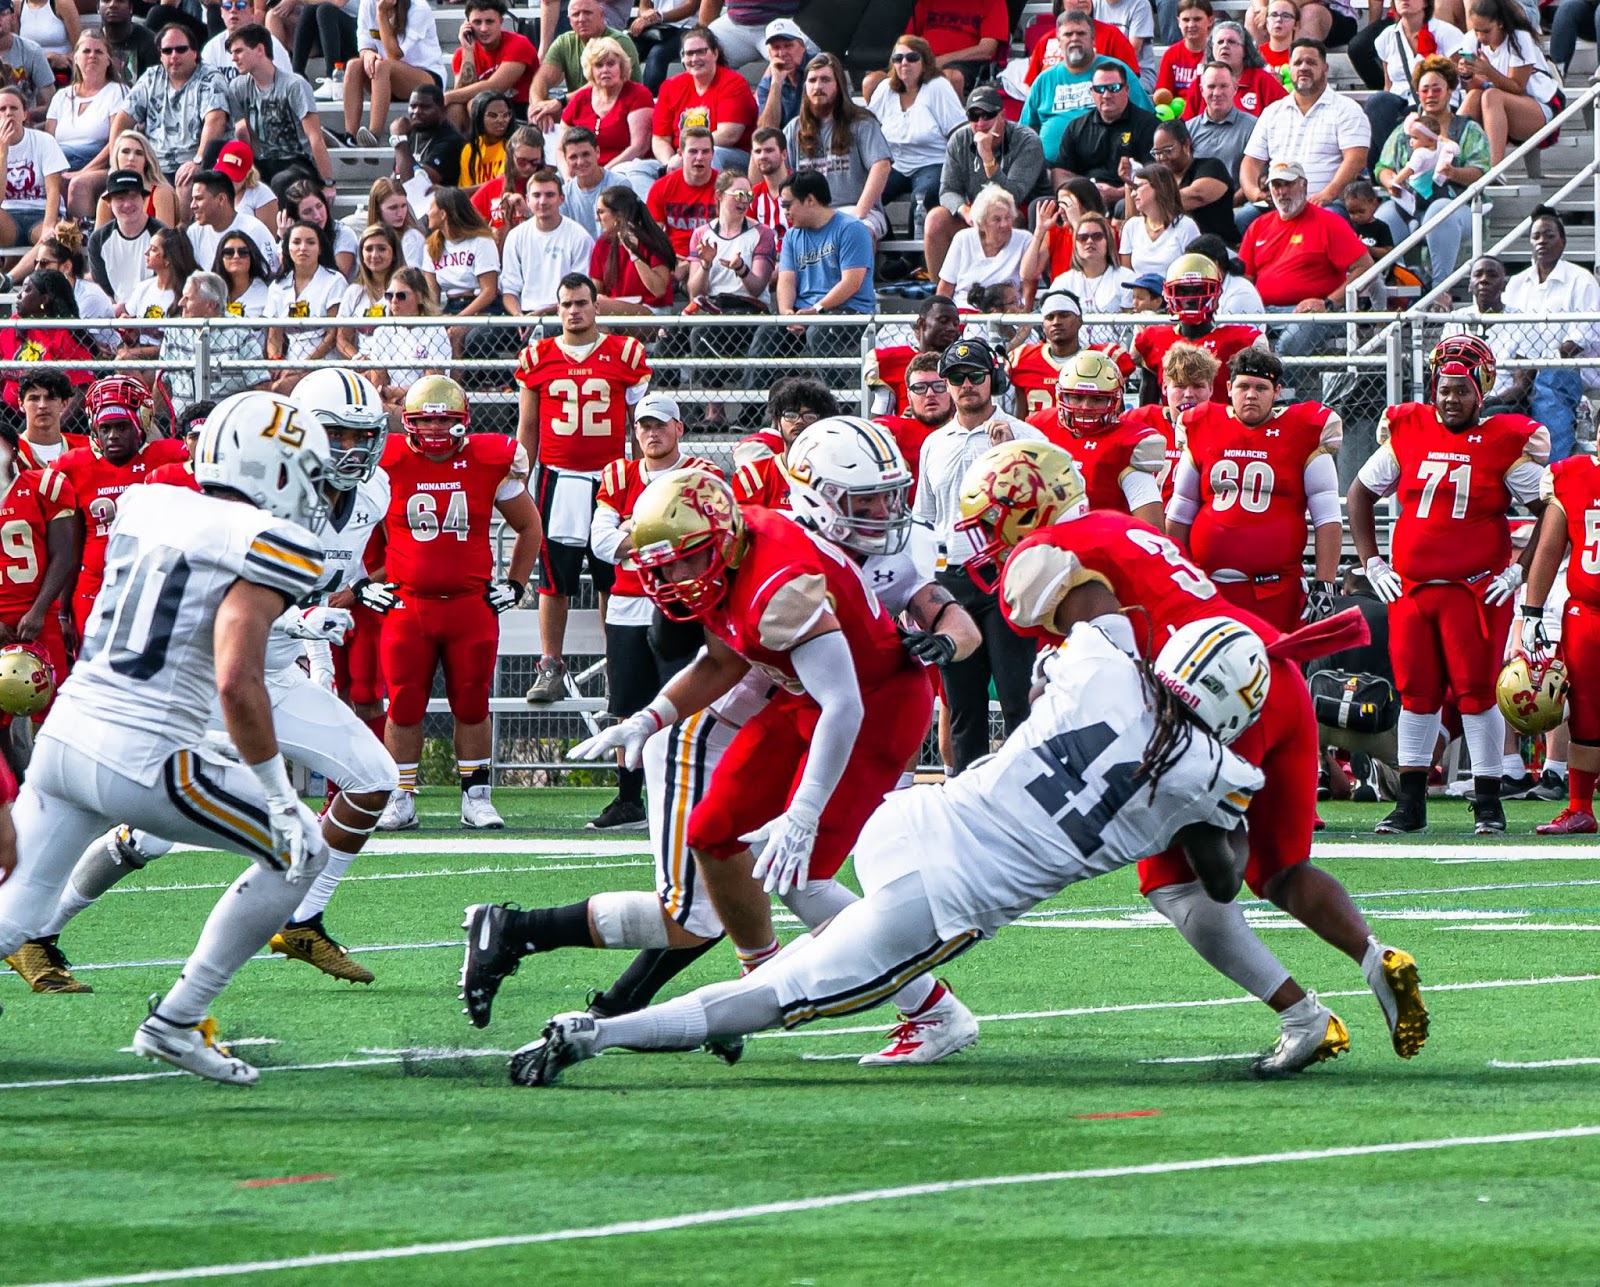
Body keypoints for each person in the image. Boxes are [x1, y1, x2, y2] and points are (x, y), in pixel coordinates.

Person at [509, 613, 1269, 1088]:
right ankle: (597, 1033)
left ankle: (931, 1011)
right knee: (770, 996)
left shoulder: (1104, 659)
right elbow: (1222, 880)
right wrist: (1231, 809)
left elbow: (1053, 665)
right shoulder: (1213, 775)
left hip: (909, 818)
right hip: (947, 898)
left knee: (801, 876)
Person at [961, 408, 1427, 1082]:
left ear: (1023, 510)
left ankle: (1301, 1015)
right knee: (1283, 868)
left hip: (1210, 695)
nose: (984, 540)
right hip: (1270, 669)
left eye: (989, 522)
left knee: (1175, 882)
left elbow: (1107, 653)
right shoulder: (1116, 524)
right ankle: (1374, 957)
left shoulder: (1045, 559)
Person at [0, 391, 338, 1084]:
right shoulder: (274, 542)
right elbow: (237, 679)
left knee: (16, 910)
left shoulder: (147, 503)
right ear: (270, 467)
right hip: (143, 750)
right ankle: (179, 1020)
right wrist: (277, 791)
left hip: (69, 731)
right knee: (300, 846)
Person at [1347, 334, 1550, 835]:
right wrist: (1373, 563)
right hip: (1412, 590)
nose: (1450, 399)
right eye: (1443, 389)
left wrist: (1520, 569)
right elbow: (1359, 493)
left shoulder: (1504, 439)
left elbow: (1551, 512)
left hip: (1475, 591)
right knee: (1416, 694)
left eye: (1460, 390)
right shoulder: (1409, 427)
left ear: (1481, 391)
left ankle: (1488, 801)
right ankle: (1410, 803)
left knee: (1476, 694)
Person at [372, 375, 542, 832]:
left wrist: (515, 583)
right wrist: (359, 581)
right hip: (408, 604)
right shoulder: (385, 461)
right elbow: (350, 524)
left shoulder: (490, 459)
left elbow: (530, 526)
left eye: (443, 420)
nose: (433, 430)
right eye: (424, 421)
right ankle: (401, 797)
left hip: (469, 605)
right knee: (403, 703)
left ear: (462, 420)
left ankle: (476, 797)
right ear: (407, 422)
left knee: (472, 702)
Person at [576, 392, 716, 830]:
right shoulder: (619, 474)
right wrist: (665, 537)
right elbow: (601, 542)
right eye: (644, 426)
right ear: (635, 432)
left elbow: (708, 535)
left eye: (660, 425)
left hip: (681, 602)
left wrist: (631, 532)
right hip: (627, 605)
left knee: (687, 702)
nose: (652, 433)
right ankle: (629, 799)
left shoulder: (700, 474)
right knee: (628, 705)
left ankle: (690, 794)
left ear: (679, 428)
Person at [515, 272, 650, 704]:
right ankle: (550, 666)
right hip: (557, 477)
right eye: (566, 304)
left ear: (596, 306)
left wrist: (639, 478)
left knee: (612, 578)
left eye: (580, 303)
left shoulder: (625, 352)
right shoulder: (537, 356)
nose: (574, 311)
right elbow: (528, 427)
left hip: (612, 478)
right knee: (554, 580)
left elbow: (638, 427)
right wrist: (521, 480)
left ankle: (618, 665)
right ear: (557, 309)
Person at [913, 337, 1043, 773]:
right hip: (953, 578)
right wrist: (921, 586)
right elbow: (924, 519)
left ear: (994, 379)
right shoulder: (934, 443)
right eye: (956, 378)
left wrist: (1009, 454)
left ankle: (1027, 788)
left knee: (1017, 694)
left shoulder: (1027, 436)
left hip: (1008, 574)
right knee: (961, 700)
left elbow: (1052, 509)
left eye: (975, 376)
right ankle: (966, 792)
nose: (966, 385)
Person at [1166, 347, 1343, 630]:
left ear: (1277, 392)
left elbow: (1328, 518)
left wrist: (1326, 583)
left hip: (1275, 590)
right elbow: (1181, 509)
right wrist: (1172, 573)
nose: (1251, 395)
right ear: (1228, 388)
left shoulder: (1303, 430)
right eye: (1243, 386)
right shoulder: (1200, 423)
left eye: (1261, 388)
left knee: (1276, 657)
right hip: (1207, 587)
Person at [43, 377, 188, 641]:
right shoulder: (73, 467)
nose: (113, 435)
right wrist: (62, 613)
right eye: (105, 428)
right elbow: (70, 548)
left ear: (141, 423)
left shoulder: (168, 458)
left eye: (122, 426)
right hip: (94, 585)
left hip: (151, 583)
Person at [1522, 443, 1600, 833]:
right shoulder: (1572, 475)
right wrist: (1532, 611)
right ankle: (1580, 807)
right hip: (1587, 614)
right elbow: (1549, 548)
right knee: (1584, 712)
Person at [1240, 159, 1374, 360]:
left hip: (1313, 314)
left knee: (1291, 341)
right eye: (1276, 185)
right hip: (1263, 312)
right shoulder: (1258, 226)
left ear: (1304, 185)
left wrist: (1328, 303)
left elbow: (1365, 267)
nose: (1282, 191)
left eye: (1288, 184)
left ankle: (1279, 380)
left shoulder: (1329, 222)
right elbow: (1245, 279)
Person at [1373, 55, 1488, 287]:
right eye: (1424, 90)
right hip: (1409, 203)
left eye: (1437, 89)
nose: (1430, 95)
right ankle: (1397, 285)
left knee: (1440, 210)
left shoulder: (1468, 129)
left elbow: (1481, 170)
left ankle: (1440, 289)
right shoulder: (1404, 130)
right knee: (1383, 217)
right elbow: (1382, 167)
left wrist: (1453, 173)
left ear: (1449, 91)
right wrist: (1391, 183)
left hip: (1457, 206)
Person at [1238, 39, 1369, 237]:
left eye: (1311, 62)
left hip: (1326, 203)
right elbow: (1251, 162)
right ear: (1289, 68)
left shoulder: (1347, 109)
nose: (1303, 68)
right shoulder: (1273, 111)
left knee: (1329, 222)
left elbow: (1356, 159)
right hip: (1277, 201)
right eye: (1298, 63)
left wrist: (1327, 194)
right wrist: (1255, 194)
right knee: (1242, 220)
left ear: (1325, 68)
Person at [1502, 208, 1600, 463]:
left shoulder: (1582, 280)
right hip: (1524, 368)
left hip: (1572, 369)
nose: (1542, 241)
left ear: (1563, 242)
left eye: (1549, 235)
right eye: (1536, 236)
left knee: (1551, 378)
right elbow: (1510, 336)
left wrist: (1543, 364)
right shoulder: (1517, 283)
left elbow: (1581, 337)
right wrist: (1525, 373)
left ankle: (1550, 469)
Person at [756, 170, 875, 374]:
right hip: (804, 312)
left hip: (849, 311)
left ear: (810, 199)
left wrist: (815, 311)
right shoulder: (792, 236)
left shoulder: (852, 228)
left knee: (819, 333)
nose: (785, 212)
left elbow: (851, 282)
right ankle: (756, 396)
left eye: (788, 205)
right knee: (767, 333)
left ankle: (836, 395)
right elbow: (786, 281)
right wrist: (787, 314)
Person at [1028, 349, 1165, 525]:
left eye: (1097, 399)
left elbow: (1152, 528)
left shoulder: (1126, 444)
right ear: (1061, 395)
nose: (1085, 407)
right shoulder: (1039, 428)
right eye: (1077, 397)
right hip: (1045, 538)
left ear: (1115, 401)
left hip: (1103, 539)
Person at [930, 85, 1049, 280]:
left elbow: (1013, 195)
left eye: (988, 115)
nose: (981, 123)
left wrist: (987, 157)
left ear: (1002, 115)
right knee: (936, 219)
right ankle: (941, 287)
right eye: (974, 117)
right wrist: (965, 211)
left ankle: (1005, 284)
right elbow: (948, 190)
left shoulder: (1027, 140)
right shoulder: (959, 139)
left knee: (1005, 218)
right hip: (978, 209)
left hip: (1018, 210)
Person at [110, 23, 229, 200]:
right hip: (153, 165)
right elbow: (123, 119)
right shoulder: (151, 77)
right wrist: (114, 164)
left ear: (194, 53)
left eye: (181, 49)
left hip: (192, 161)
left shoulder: (210, 78)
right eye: (167, 51)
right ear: (160, 55)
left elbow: (216, 120)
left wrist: (198, 161)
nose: (174, 55)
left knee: (186, 185)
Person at [783, 52, 891, 244]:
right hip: (811, 212)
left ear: (839, 85)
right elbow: (776, 171)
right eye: (812, 80)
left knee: (858, 232)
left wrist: (858, 215)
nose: (818, 86)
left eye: (825, 80)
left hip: (857, 208)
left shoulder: (862, 123)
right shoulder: (794, 128)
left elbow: (881, 166)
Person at [1021, 12, 1149, 165]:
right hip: (1051, 169)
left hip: (1106, 167)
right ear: (1059, 41)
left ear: (1093, 39)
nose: (1074, 38)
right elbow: (1025, 132)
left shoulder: (1116, 71)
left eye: (1081, 33)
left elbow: (1146, 118)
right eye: (1068, 34)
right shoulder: (1044, 80)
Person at [1136, 253, 1264, 404]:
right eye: (1183, 291)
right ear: (1169, 294)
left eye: (1199, 291)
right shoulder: (1154, 338)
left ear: (1216, 294)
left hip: (1220, 419)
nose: (1191, 299)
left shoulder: (1239, 340)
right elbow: (1147, 409)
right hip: (1174, 420)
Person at [867, 35, 963, 219]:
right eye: (898, 58)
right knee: (866, 195)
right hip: (895, 164)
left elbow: (958, 132)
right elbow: (868, 127)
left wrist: (958, 173)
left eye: (912, 58)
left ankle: (917, 239)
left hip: (933, 163)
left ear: (924, 62)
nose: (904, 63)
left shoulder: (939, 86)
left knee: (922, 200)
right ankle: (884, 234)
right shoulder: (885, 88)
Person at [1364, 0, 1466, 172]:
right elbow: (1388, 84)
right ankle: (1398, 164)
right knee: (1377, 102)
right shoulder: (1386, 37)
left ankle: (1413, 168)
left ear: (1426, 2)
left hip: (1437, 104)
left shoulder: (1446, 33)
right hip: (1401, 106)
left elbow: (1458, 80)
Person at [1456, 0, 1560, 165]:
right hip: (1497, 111)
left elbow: (1517, 87)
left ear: (1500, 24)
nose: (1481, 37)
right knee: (1475, 96)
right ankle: (1450, 159)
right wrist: (1468, 76)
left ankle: (1493, 168)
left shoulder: (1520, 38)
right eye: (1476, 31)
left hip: (1540, 105)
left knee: (1491, 96)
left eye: (1486, 31)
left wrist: (1488, 71)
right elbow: (1477, 87)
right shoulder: (1471, 40)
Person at [557, 34, 655, 196]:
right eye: (598, 65)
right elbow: (560, 148)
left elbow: (639, 147)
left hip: (625, 170)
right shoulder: (580, 98)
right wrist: (568, 176)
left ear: (621, 67)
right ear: (591, 70)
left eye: (610, 64)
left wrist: (602, 174)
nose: (605, 70)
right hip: (581, 171)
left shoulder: (638, 94)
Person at [651, 25, 757, 173]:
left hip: (729, 156)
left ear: (715, 53)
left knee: (711, 155)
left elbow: (729, 135)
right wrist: (669, 163)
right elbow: (660, 139)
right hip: (680, 158)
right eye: (689, 53)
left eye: (701, 51)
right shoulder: (670, 86)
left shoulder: (733, 83)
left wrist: (686, 155)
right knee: (634, 168)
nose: (695, 59)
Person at [1124, 339, 1220, 502]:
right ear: (1164, 387)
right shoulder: (1139, 420)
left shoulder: (1224, 425)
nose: (1189, 394)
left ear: (1211, 389)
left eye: (1198, 386)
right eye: (1180, 386)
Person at [157, 271, 264, 414]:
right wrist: (155, 421)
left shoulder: (240, 331)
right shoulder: (174, 330)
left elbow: (260, 385)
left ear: (210, 305)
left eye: (188, 298)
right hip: (181, 421)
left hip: (224, 420)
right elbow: (161, 384)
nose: (180, 303)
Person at [343, 0, 446, 146]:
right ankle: (350, 137)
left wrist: (381, 14)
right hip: (384, 78)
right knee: (353, 65)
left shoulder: (419, 7)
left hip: (425, 77)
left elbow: (395, 55)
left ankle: (374, 134)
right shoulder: (368, 3)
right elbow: (364, 45)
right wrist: (368, 54)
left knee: (382, 66)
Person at [1056, 62, 1160, 204]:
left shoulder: (1149, 125)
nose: (1106, 95)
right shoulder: (1076, 127)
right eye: (1099, 89)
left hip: (1131, 198)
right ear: (1092, 92)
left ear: (1126, 90)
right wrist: (1078, 194)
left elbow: (1156, 176)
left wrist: (1118, 194)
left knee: (1121, 205)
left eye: (1113, 88)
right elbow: (1061, 171)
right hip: (1084, 200)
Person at [500, 167, 594, 320]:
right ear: (527, 200)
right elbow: (509, 290)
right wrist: (519, 317)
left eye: (549, 195)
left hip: (565, 314)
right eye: (536, 195)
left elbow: (582, 290)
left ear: (561, 199)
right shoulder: (515, 236)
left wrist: (541, 314)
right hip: (524, 314)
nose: (543, 201)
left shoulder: (580, 237)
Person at [528, 0, 640, 128]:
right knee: (541, 115)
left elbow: (601, 83)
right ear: (569, 20)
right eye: (576, 14)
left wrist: (561, 101)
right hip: (582, 112)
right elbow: (541, 79)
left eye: (587, 13)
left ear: (601, 15)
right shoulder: (565, 42)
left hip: (620, 111)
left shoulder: (619, 41)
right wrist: (538, 106)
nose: (581, 19)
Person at [264, 221, 343, 395]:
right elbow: (274, 335)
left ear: (320, 249)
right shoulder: (277, 286)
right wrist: (277, 361)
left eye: (310, 242)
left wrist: (303, 365)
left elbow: (332, 336)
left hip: (324, 363)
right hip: (291, 363)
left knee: (278, 390)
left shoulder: (334, 281)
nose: (303, 248)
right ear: (287, 248)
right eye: (296, 242)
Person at [356, 266, 454, 404]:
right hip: (393, 402)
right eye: (389, 295)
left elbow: (432, 386)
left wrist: (391, 392)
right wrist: (393, 396)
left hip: (428, 403)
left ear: (419, 297)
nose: (394, 300)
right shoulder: (382, 332)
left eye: (401, 296)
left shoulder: (435, 330)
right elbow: (378, 386)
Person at [423, 186, 500, 355]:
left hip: (482, 307)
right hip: (450, 307)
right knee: (433, 335)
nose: (428, 213)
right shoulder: (431, 247)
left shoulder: (481, 241)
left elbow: (489, 291)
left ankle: (455, 374)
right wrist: (437, 318)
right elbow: (432, 295)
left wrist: (459, 320)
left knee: (456, 334)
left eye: (431, 207)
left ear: (443, 214)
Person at [686, 169, 776, 310]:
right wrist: (705, 264)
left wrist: (741, 268)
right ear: (719, 195)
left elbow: (757, 289)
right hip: (713, 308)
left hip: (749, 308)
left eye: (749, 195)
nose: (745, 201)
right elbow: (695, 294)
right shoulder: (701, 234)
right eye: (739, 195)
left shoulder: (763, 233)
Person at [444, 0, 536, 134]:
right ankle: (462, 147)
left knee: (474, 103)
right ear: (467, 25)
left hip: (519, 112)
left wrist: (446, 96)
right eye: (477, 22)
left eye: (489, 22)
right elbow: (461, 92)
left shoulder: (519, 44)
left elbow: (495, 87)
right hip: (481, 113)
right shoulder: (462, 54)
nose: (483, 29)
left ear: (501, 22)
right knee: (455, 107)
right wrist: (468, 51)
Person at [44, 32, 126, 177]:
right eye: (86, 51)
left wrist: (82, 172)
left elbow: (117, 141)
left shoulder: (118, 91)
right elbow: (48, 143)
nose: (92, 55)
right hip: (60, 164)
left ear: (108, 60)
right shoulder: (61, 96)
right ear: (75, 58)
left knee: (77, 183)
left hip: (97, 166)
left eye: (99, 52)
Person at [867, 293, 963, 416]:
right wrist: (904, 420)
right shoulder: (895, 360)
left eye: (955, 324)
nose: (951, 328)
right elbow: (880, 418)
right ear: (922, 323)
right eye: (943, 321)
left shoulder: (962, 362)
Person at [937, 183, 1029, 310]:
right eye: (997, 219)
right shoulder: (963, 238)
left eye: (1008, 218)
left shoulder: (1024, 240)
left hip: (1007, 314)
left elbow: (1028, 287)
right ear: (981, 224)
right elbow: (944, 290)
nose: (1004, 224)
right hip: (965, 312)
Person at [33, 221, 115, 356]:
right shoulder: (45, 294)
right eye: (36, 262)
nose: (37, 269)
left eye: (43, 263)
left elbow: (77, 340)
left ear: (66, 267)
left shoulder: (89, 297)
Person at [646, 123, 717, 277]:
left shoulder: (724, 187)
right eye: (693, 151)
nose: (699, 157)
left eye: (705, 151)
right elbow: (652, 234)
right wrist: (669, 260)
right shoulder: (661, 187)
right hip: (675, 259)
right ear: (680, 153)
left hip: (714, 258)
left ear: (713, 154)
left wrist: (694, 262)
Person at [114, 223, 195, 359]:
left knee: (123, 358)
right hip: (142, 356)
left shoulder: (185, 294)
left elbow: (177, 344)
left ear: (167, 259)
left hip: (171, 357)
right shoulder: (143, 287)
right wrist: (126, 327)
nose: (146, 253)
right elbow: (131, 339)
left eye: (153, 249)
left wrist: (131, 354)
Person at [1051, 210, 1133, 344]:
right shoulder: (1062, 283)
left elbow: (1132, 329)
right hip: (1074, 351)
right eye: (1082, 237)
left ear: (1108, 241)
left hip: (1115, 350)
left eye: (1097, 236)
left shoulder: (1126, 278)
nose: (1089, 241)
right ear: (1075, 243)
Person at [589, 183, 674, 312]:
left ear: (619, 215)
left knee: (598, 304)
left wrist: (635, 254)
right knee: (590, 304)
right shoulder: (602, 244)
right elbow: (596, 290)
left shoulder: (652, 241)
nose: (597, 218)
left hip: (653, 310)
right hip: (614, 308)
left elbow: (659, 290)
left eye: (601, 212)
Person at [1152, 117, 1236, 245]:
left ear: (1186, 145)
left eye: (1168, 150)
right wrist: (1130, 186)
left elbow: (1196, 196)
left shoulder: (1211, 167)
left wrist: (1150, 200)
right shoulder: (1160, 178)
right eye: (1157, 152)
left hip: (1217, 248)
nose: (1162, 157)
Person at [900, 0, 1008, 99]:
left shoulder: (992, 2)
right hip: (923, 58)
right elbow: (908, 40)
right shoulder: (927, 2)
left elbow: (987, 50)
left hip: (964, 62)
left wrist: (943, 59)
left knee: (950, 77)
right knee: (890, 74)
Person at [0, 83, 64, 248]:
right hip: (7, 216)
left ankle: (16, 269)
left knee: (55, 239)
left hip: (41, 213)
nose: (8, 113)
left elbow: (53, 190)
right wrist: (3, 153)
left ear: (24, 114)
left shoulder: (44, 141)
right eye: (2, 109)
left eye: (14, 108)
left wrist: (48, 228)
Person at [1181, 21, 1287, 118]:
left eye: (1231, 42)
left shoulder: (1262, 80)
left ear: (1245, 50)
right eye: (1220, 42)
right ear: (1212, 49)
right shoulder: (1200, 83)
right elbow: (1187, 126)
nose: (1225, 46)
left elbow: (1287, 113)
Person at [1009, 289, 1087, 417]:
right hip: (1036, 430)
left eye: (1064, 315)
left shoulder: (1100, 359)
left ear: (1079, 320)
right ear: (1043, 325)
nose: (1056, 322)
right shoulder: (1023, 358)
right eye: (1050, 317)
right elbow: (1021, 417)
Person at [187, 167, 278, 275]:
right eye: (192, 199)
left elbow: (273, 273)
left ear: (221, 199)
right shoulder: (194, 232)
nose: (192, 205)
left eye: (199, 199)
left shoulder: (255, 229)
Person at [1118, 164, 1200, 280]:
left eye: (1138, 187)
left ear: (1159, 187)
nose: (1133, 194)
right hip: (1139, 291)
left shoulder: (1186, 226)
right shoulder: (1131, 226)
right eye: (1132, 189)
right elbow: (1126, 275)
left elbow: (1194, 272)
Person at [85, 129, 177, 227]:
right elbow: (100, 236)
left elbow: (166, 235)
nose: (131, 158)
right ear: (116, 157)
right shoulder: (106, 199)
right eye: (125, 152)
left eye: (139, 153)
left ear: (146, 160)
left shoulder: (161, 194)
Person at [1187, 61, 1259, 184]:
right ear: (1201, 90)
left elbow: (1257, 175)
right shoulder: (1188, 130)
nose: (1217, 93)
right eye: (1211, 86)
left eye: (1224, 86)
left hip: (1239, 196)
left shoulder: (1253, 127)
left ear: (1235, 88)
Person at [335, 222, 399, 358]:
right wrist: (359, 359)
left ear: (394, 253)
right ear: (361, 255)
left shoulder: (405, 289)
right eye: (369, 249)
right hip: (363, 362)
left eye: (381, 249)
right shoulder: (354, 292)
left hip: (397, 361)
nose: (374, 255)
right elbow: (341, 339)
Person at [474, 123, 549, 237]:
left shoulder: (549, 188)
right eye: (522, 161)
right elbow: (465, 224)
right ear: (511, 155)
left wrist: (527, 213)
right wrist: (489, 234)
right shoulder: (493, 187)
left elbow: (554, 229)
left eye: (535, 162)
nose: (528, 167)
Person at [394, 82, 466, 188]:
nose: (416, 111)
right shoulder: (409, 132)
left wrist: (399, 140)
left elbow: (417, 184)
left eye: (425, 107)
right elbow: (396, 175)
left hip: (439, 197)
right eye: (413, 106)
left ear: (442, 110)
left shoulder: (452, 140)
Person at [14, 367, 85, 471]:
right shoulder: (9, 449)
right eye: (34, 398)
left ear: (64, 403)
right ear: (21, 404)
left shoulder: (86, 447)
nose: (42, 405)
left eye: (50, 398)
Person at [201, 0, 293, 80]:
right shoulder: (211, 48)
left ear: (252, 11)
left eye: (240, 5)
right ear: (221, 11)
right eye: (227, 6)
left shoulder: (273, 46)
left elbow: (285, 85)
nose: (233, 10)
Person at [0, 0, 56, 125]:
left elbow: (51, 103)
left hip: (24, 125)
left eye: (2, 14)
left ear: (12, 18)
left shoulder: (31, 51)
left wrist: (22, 114)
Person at [558, 126, 619, 237]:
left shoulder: (619, 186)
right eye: (573, 157)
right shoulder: (563, 194)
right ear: (566, 159)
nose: (580, 162)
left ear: (597, 152)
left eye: (585, 154)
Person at [753, 15, 807, 132]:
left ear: (802, 47)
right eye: (776, 48)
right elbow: (766, 131)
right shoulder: (768, 83)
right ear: (769, 54)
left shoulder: (820, 68)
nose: (782, 54)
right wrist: (776, 83)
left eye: (788, 46)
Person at [629, 0, 697, 92]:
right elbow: (644, 7)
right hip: (655, 27)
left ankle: (649, 97)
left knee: (657, 53)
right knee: (629, 50)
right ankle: (625, 96)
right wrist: (646, 16)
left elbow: (691, 7)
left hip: (686, 27)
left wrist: (659, 17)